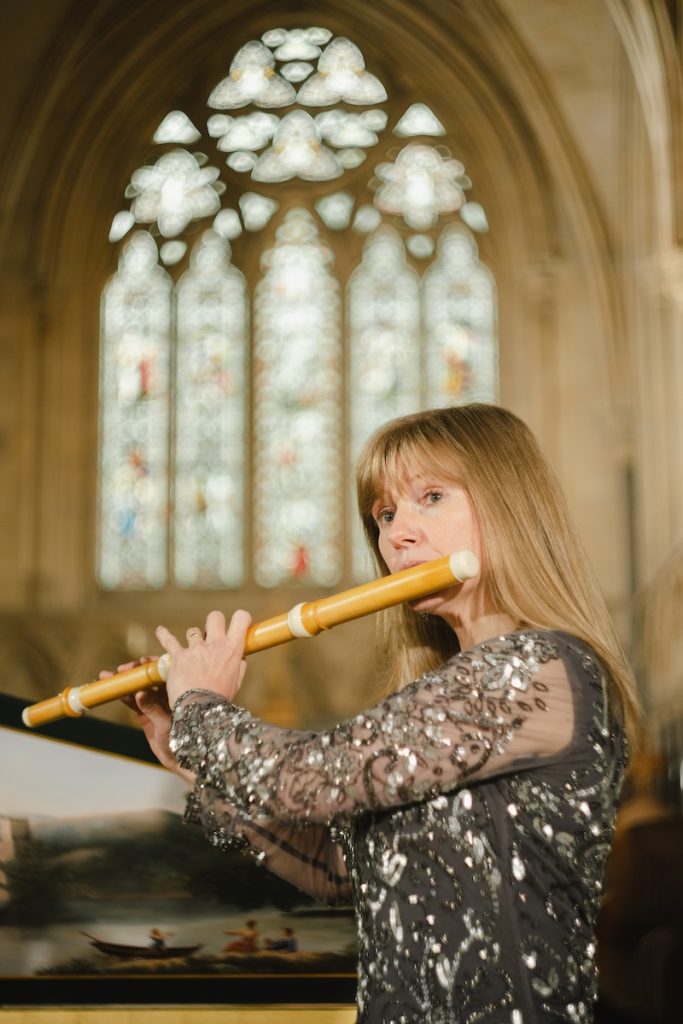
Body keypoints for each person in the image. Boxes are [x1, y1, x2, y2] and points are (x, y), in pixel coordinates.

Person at [119, 404, 642, 1023]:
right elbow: (336, 867)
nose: (397, 534)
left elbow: (308, 777)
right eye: (385, 515)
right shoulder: (457, 687)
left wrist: (200, 706)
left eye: (431, 496)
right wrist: (189, 754)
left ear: (510, 503)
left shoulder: (539, 668)